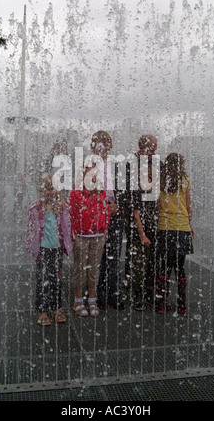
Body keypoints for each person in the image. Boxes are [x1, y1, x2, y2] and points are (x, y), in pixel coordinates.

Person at [24, 174, 72, 326]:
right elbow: (31, 229)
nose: (52, 192)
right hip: (43, 249)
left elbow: (67, 227)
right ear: (43, 190)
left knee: (56, 279)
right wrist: (30, 246)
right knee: (42, 280)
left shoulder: (62, 207)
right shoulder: (36, 207)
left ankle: (56, 308)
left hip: (56, 248)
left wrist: (69, 243)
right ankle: (42, 310)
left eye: (54, 189)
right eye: (48, 189)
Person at [90, 130, 125, 310]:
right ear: (94, 146)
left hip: (115, 214)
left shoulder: (117, 165)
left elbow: (126, 189)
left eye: (108, 143)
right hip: (97, 215)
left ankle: (114, 294)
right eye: (102, 143)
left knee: (113, 255)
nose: (106, 147)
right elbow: (84, 191)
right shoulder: (87, 164)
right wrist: (102, 205)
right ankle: (99, 295)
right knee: (98, 257)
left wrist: (117, 204)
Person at [69, 163, 110, 317]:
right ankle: (78, 300)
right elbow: (70, 214)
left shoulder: (101, 193)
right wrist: (73, 234)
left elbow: (106, 212)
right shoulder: (75, 193)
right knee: (80, 268)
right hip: (81, 236)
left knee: (94, 269)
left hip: (98, 235)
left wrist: (105, 229)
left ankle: (92, 299)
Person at [124, 134, 160, 310]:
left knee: (152, 257)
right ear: (143, 147)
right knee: (136, 254)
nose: (154, 152)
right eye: (152, 148)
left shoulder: (154, 164)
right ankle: (134, 287)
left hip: (151, 217)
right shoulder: (131, 164)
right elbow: (130, 199)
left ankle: (148, 292)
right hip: (135, 217)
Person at [156, 153, 195, 315]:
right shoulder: (185, 180)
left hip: (165, 227)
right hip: (182, 228)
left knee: (164, 266)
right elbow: (188, 205)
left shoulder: (161, 181)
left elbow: (157, 205)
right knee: (180, 267)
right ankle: (182, 306)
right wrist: (189, 224)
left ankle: (162, 305)